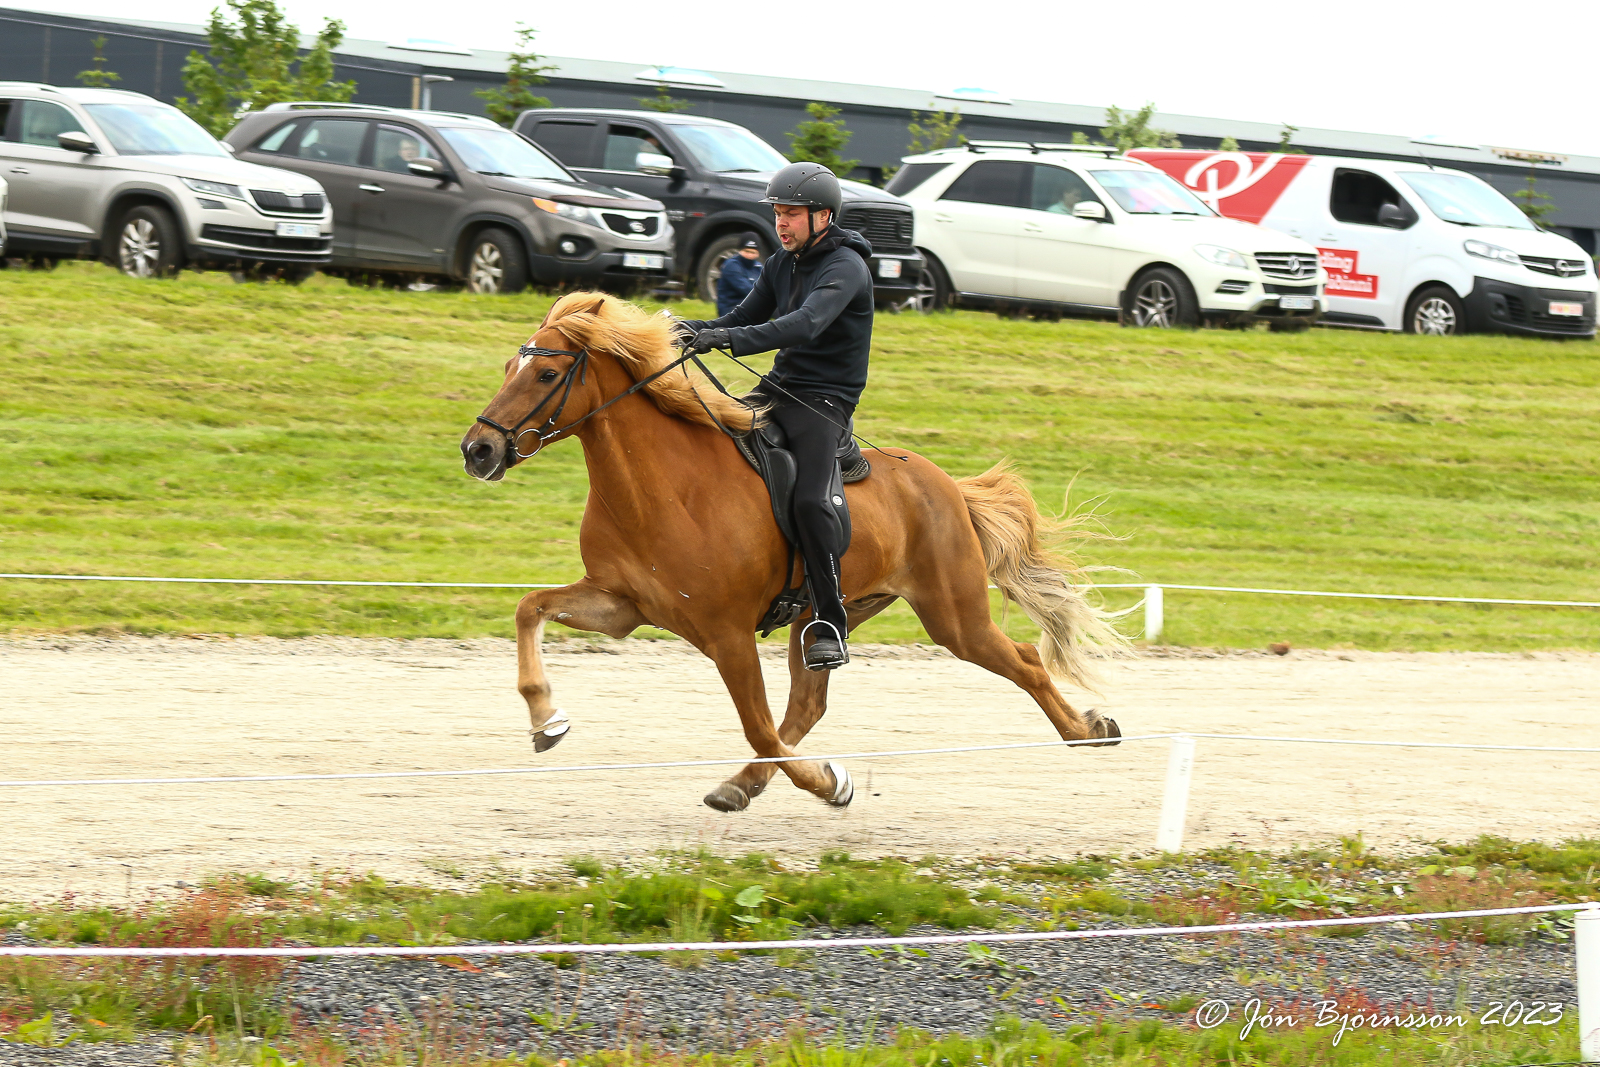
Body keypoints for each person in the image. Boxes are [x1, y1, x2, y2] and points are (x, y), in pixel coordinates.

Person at [675, 161, 874, 671]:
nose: (781, 224)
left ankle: (829, 619)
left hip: (825, 399)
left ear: (823, 216)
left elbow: (805, 325)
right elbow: (741, 317)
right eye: (778, 214)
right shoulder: (780, 264)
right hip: (779, 388)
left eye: (791, 214)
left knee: (810, 500)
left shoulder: (846, 267)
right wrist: (689, 330)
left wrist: (726, 340)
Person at [715, 234, 764, 317]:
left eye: (753, 252)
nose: (749, 256)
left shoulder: (758, 267)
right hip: (730, 309)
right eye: (746, 251)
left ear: (758, 254)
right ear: (740, 251)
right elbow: (747, 290)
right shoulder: (731, 265)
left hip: (750, 307)